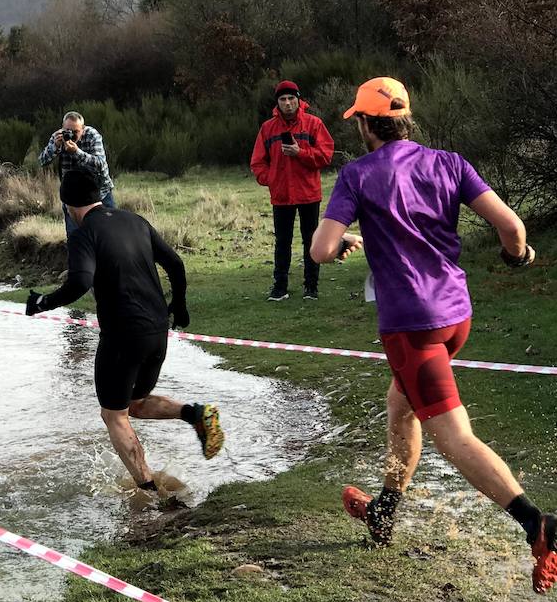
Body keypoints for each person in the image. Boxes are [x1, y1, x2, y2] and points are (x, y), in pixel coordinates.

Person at [308, 76, 557, 594]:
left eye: (356, 119)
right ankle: (385, 508)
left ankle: (533, 520)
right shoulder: (450, 162)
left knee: (454, 436)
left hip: (410, 328)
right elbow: (512, 229)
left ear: (363, 122)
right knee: (400, 406)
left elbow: (318, 249)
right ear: (404, 117)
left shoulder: (358, 174)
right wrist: (518, 257)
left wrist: (341, 246)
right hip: (455, 319)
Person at [25, 169, 224, 497]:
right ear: (99, 194)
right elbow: (175, 263)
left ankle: (148, 490)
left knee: (113, 415)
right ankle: (196, 413)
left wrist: (42, 302)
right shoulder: (135, 220)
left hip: (122, 336)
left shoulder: (83, 233)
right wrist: (181, 305)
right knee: (135, 403)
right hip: (157, 329)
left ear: (69, 206)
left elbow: (80, 282)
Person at [251, 80, 334, 301]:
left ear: (298, 100)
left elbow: (326, 155)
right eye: (283, 99)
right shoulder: (268, 128)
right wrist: (272, 180)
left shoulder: (314, 124)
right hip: (282, 195)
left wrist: (300, 152)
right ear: (277, 103)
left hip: (308, 193)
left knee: (311, 240)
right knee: (282, 241)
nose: (287, 103)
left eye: (291, 99)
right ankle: (279, 287)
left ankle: (311, 287)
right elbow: (257, 162)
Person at [36, 110, 116, 234]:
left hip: (100, 192)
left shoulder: (92, 135)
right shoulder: (58, 137)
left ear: (83, 129)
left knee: (109, 232)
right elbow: (42, 161)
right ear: (63, 128)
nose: (71, 135)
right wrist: (55, 147)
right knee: (75, 236)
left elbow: (100, 164)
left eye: (75, 132)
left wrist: (77, 152)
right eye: (68, 131)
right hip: (72, 197)